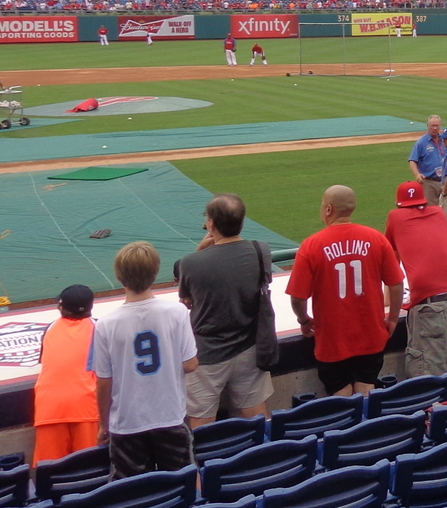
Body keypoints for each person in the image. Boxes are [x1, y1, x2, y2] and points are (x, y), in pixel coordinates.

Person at [93, 242, 199, 478]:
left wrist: (103, 424)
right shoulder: (177, 312)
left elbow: (103, 382)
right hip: (170, 415)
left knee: (131, 492)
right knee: (186, 481)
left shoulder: (106, 325)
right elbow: (190, 364)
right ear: (154, 273)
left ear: (120, 277)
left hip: (127, 422)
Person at [286, 185, 404, 396]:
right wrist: (393, 318)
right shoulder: (376, 238)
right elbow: (396, 284)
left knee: (341, 399)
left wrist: (304, 320)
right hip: (371, 336)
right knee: (367, 390)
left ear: (328, 209)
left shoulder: (311, 245)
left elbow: (297, 297)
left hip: (332, 342)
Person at [174, 193, 275, 427]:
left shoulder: (191, 262)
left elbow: (186, 299)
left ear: (211, 224)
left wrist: (200, 250)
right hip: (250, 347)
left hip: (207, 355)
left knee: (202, 427)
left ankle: (204, 465)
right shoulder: (262, 251)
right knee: (260, 421)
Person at [387, 180, 447, 378]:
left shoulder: (395, 217)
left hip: (427, 302)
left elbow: (391, 267)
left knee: (431, 378)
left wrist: (388, 305)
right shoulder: (438, 212)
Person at [33, 284, 99, 464]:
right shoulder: (99, 328)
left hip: (49, 408)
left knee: (50, 474)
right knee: (88, 470)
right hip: (85, 408)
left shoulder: (50, 328)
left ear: (61, 307)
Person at [409, 116, 447, 206]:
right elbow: (412, 161)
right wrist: (417, 174)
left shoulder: (445, 140)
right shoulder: (421, 143)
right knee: (431, 209)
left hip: (445, 181)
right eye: (432, 126)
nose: (435, 128)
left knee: (446, 209)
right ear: (427, 126)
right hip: (429, 183)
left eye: (437, 126)